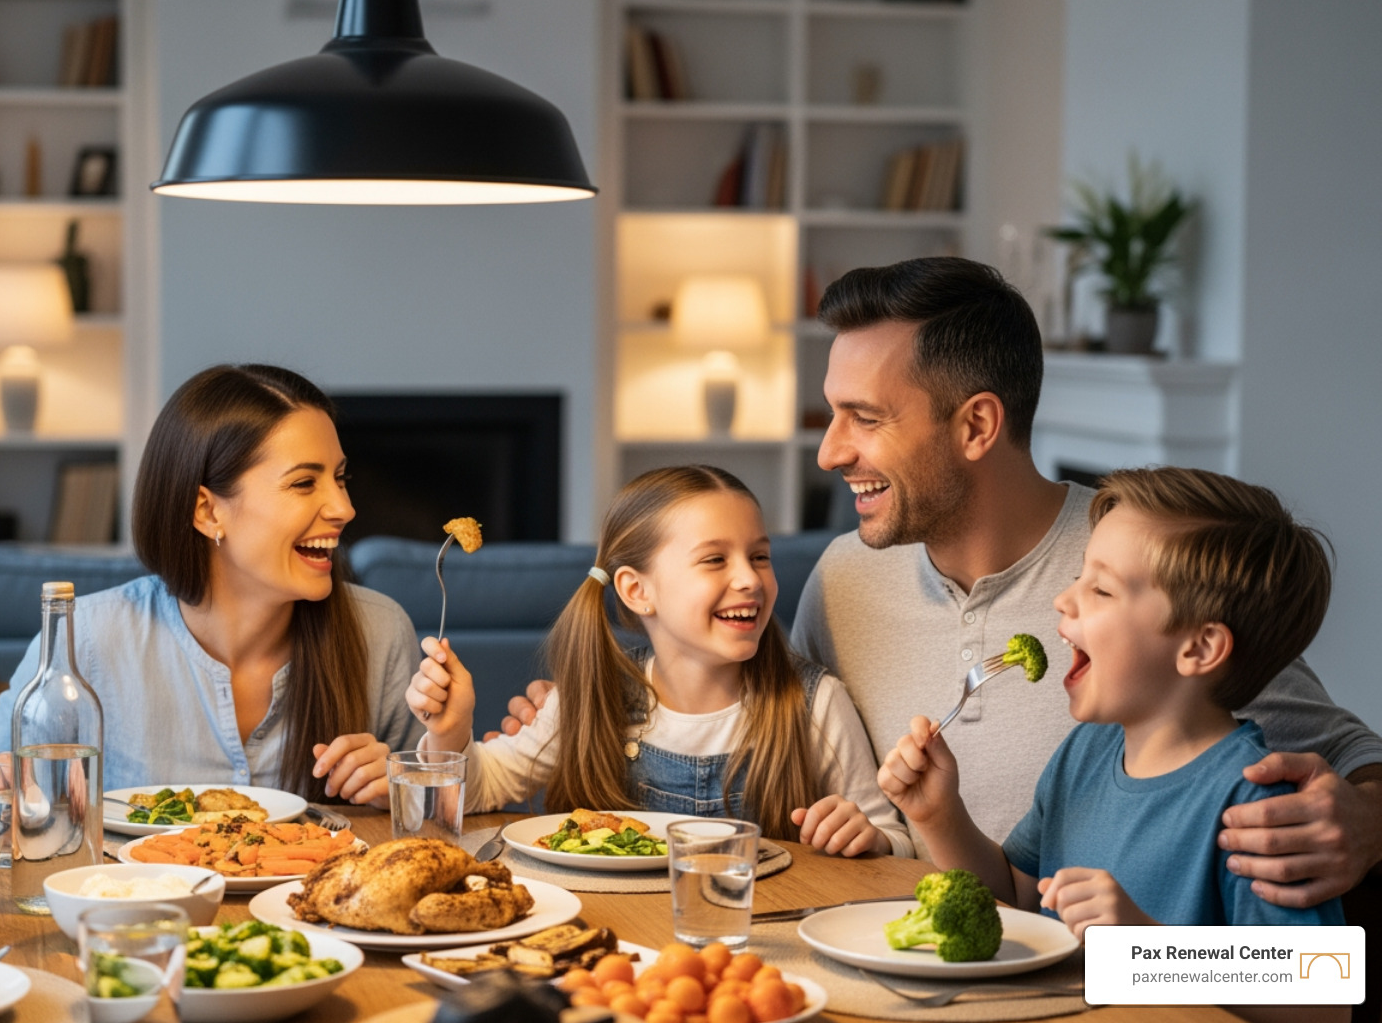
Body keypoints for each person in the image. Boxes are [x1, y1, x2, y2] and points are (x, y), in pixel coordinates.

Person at [497, 258, 1382, 907]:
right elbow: (761, 716)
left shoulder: (1148, 574)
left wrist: (1366, 822)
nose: (829, 451)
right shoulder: (844, 576)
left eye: (864, 418)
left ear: (976, 426)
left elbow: (1342, 769)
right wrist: (583, 705)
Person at [879, 467, 1345, 1023]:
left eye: (1100, 589)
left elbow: (1323, 995)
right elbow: (1018, 903)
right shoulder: (1084, 753)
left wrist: (1144, 946)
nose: (1063, 600)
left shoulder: (1258, 803)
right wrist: (940, 815)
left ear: (1199, 648)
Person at [0, 364, 424, 811]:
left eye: (340, 478)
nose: (344, 508)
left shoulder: (379, 631)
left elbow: (433, 812)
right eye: (304, 484)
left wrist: (398, 788)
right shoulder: (87, 637)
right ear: (207, 511)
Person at [407, 465, 912, 856]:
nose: (751, 579)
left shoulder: (814, 704)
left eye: (759, 556)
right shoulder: (595, 697)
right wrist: (451, 733)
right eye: (715, 559)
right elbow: (478, 793)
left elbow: (895, 836)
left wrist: (869, 837)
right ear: (636, 590)